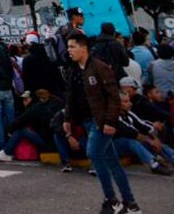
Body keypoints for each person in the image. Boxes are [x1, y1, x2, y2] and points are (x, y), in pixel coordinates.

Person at [66, 32, 139, 214]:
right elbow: (71, 98)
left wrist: (110, 121)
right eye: (68, 47)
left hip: (101, 121)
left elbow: (113, 97)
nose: (69, 50)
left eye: (72, 46)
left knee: (94, 154)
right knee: (112, 162)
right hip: (87, 121)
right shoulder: (73, 70)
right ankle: (130, 203)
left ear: (84, 48)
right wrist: (68, 119)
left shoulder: (100, 67)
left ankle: (111, 200)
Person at [0, 88, 63, 162]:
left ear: (33, 99)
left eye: (26, 100)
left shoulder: (35, 108)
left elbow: (19, 121)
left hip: (48, 143)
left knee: (21, 131)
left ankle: (6, 152)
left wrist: (9, 131)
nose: (24, 102)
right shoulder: (56, 102)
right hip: (59, 141)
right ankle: (6, 151)